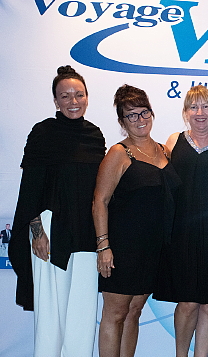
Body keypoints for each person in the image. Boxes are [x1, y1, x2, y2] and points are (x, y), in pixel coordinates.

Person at [9, 65, 106, 357]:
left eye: (79, 94)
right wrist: (36, 232)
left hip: (86, 234)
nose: (73, 101)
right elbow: (29, 191)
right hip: (50, 233)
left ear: (87, 97)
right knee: (50, 314)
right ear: (55, 101)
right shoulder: (42, 134)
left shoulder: (95, 135)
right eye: (65, 96)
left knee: (83, 312)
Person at [92, 84, 180, 357]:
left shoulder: (165, 150)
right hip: (123, 249)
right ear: (122, 121)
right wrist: (103, 247)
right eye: (132, 115)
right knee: (115, 313)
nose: (140, 120)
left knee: (134, 312)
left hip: (153, 249)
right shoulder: (119, 154)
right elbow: (99, 202)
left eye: (144, 113)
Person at [153, 85, 208, 357]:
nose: (200, 113)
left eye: (206, 107)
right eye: (193, 107)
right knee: (188, 302)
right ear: (185, 112)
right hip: (181, 232)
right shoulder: (172, 142)